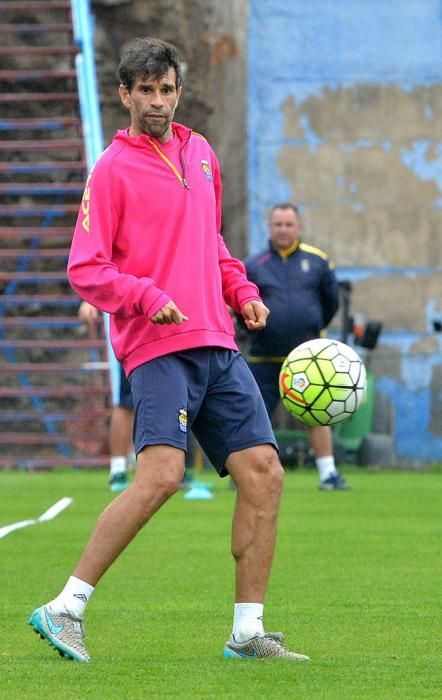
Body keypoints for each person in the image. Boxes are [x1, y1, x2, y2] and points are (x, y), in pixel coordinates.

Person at [28, 38, 309, 663]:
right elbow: (86, 269)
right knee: (161, 476)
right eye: (145, 90)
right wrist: (146, 296)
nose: (157, 101)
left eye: (167, 89)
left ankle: (248, 633)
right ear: (124, 94)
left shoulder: (202, 153)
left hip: (219, 339)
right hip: (158, 346)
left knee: (264, 473)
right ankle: (63, 607)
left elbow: (209, 240)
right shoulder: (111, 170)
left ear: (177, 92)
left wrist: (240, 289)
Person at [243, 202, 349, 491]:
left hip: (308, 359)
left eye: (289, 224)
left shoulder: (318, 261)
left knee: (317, 412)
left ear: (298, 227)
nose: (283, 230)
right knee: (254, 417)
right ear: (270, 227)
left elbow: (330, 303)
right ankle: (246, 473)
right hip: (264, 358)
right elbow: (240, 303)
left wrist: (310, 325)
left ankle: (328, 474)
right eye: (278, 224)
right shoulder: (254, 265)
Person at [78, 301, 134, 492]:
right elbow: (101, 271)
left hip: (156, 322)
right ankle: (118, 468)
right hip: (126, 325)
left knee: (164, 398)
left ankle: (169, 466)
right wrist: (88, 299)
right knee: (124, 400)